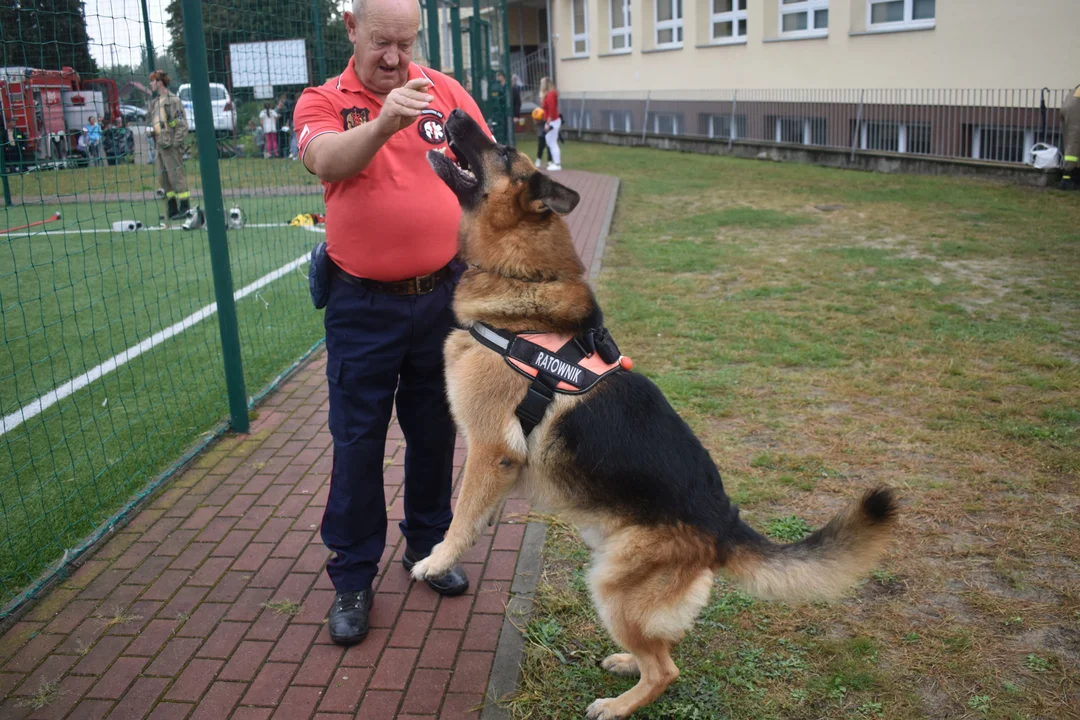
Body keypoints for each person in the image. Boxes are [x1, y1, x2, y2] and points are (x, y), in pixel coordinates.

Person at [293, 0, 489, 647]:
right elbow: (326, 162)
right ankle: (352, 577)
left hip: (441, 297)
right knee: (358, 444)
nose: (395, 57)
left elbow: (488, 165)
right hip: (362, 306)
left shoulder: (445, 91)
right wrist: (382, 124)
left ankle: (428, 547)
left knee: (435, 432)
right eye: (382, 41)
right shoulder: (322, 100)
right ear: (349, 27)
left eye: (406, 43)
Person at [148, 70, 191, 219]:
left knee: (176, 176)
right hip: (160, 145)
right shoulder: (155, 103)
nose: (151, 84)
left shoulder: (173, 100)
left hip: (171, 146)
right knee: (163, 178)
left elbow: (180, 123)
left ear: (160, 82)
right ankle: (172, 209)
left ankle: (185, 208)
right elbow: (159, 123)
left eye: (153, 81)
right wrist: (153, 131)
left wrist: (175, 143)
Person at [1060, 84, 1080, 190]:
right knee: (1074, 141)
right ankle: (1066, 179)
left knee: (1072, 141)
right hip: (1075, 108)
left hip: (1071, 105)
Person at [540, 76, 561, 171]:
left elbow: (551, 110)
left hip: (552, 121)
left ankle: (557, 164)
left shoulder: (550, 95)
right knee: (551, 141)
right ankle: (556, 162)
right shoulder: (551, 94)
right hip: (553, 121)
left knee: (552, 142)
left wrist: (548, 123)